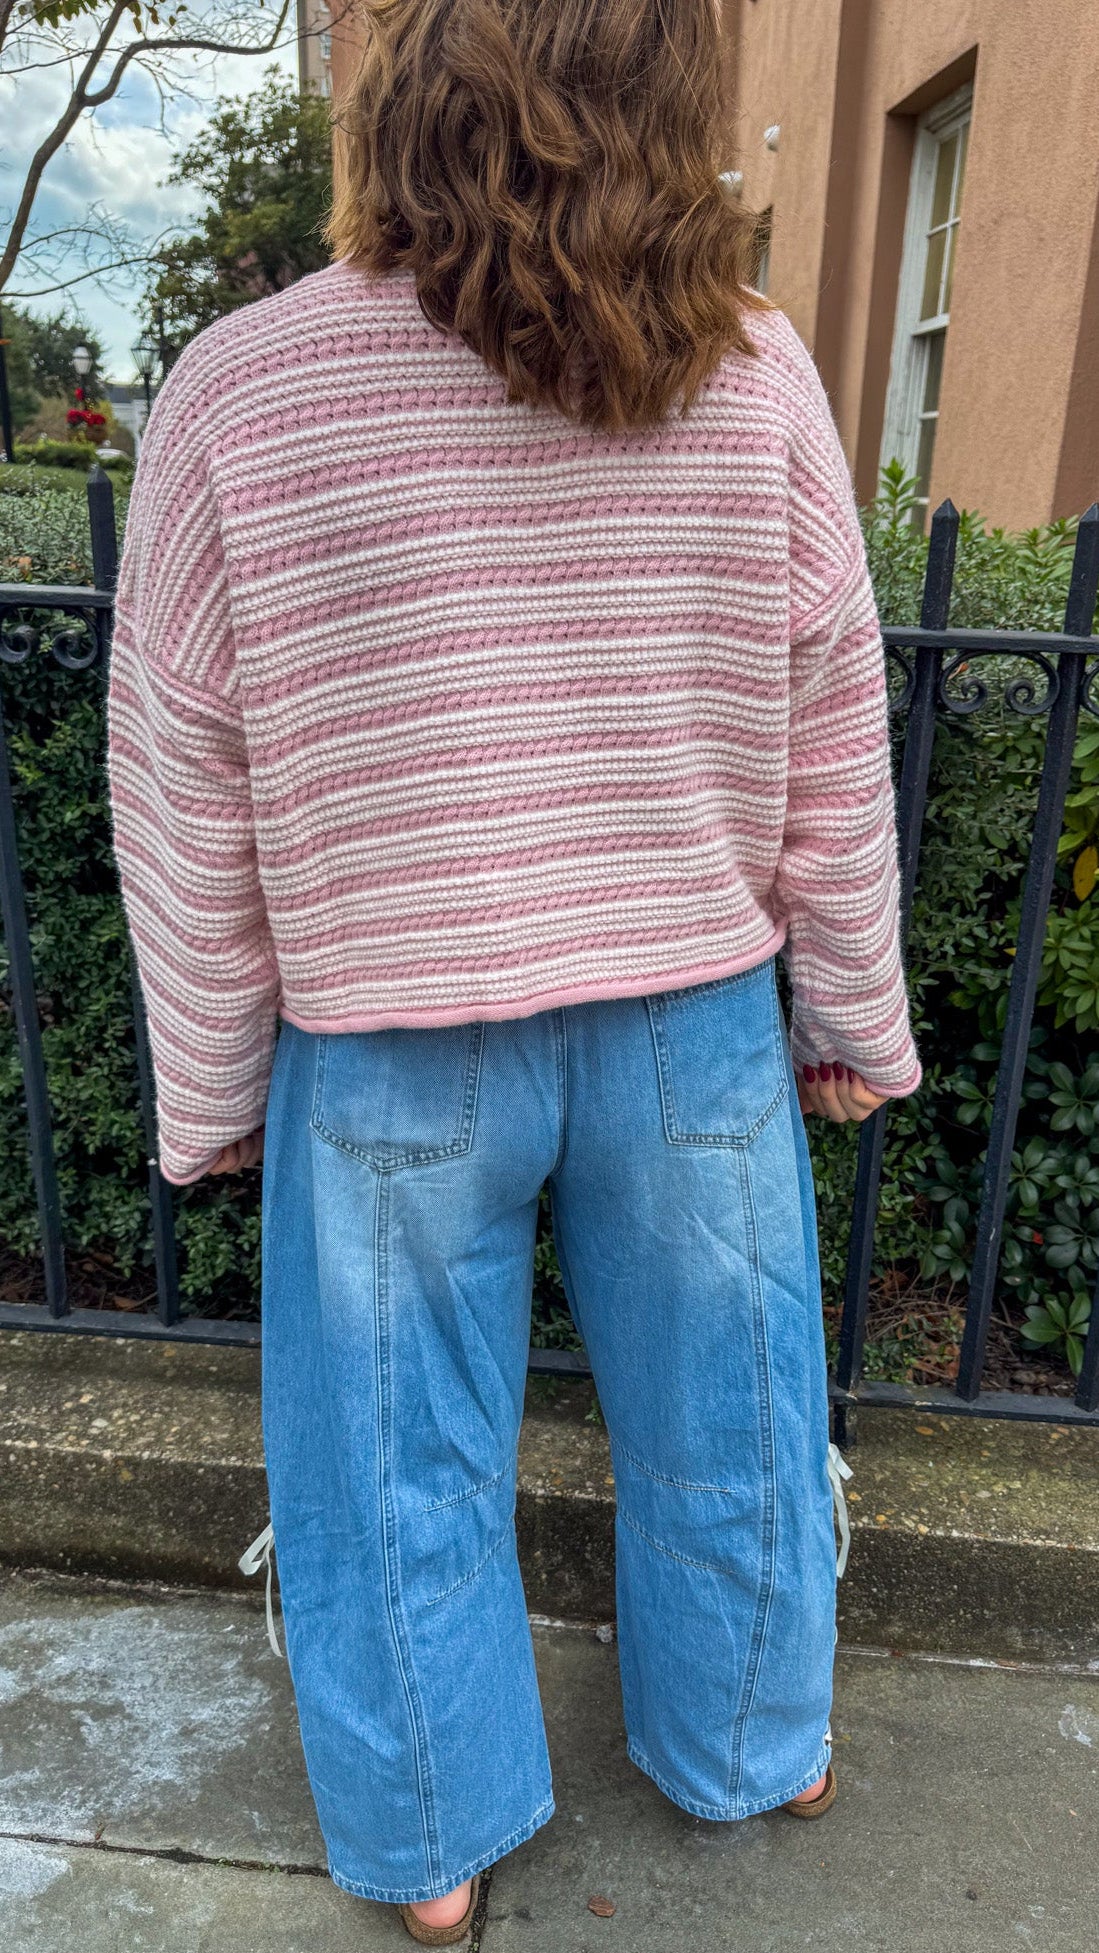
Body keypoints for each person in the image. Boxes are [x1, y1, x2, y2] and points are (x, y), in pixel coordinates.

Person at [106, 0, 922, 1941]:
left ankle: (429, 1837)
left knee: (390, 1462)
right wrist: (854, 1014)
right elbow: (830, 725)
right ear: (675, 98)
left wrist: (212, 1089)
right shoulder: (756, 374)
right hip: (688, 1019)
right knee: (723, 1408)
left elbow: (184, 780)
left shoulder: (243, 389)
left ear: (403, 94)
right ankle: (748, 1739)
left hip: (386, 1042)